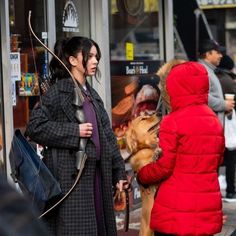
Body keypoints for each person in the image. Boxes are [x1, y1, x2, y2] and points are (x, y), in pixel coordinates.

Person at [25, 36, 127, 236]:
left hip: (98, 177)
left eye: (96, 56)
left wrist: (119, 173)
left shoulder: (92, 94)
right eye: (89, 56)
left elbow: (108, 137)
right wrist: (74, 131)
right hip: (72, 182)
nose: (95, 61)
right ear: (72, 60)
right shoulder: (57, 92)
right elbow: (34, 127)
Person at [137, 62, 225, 235]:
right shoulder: (213, 120)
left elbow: (164, 166)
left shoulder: (174, 120)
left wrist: (143, 175)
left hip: (176, 208)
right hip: (206, 205)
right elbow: (217, 161)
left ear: (176, 87)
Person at [198, 39, 235, 125]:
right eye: (218, 52)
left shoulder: (208, 70)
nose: (221, 56)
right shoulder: (201, 70)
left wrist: (223, 109)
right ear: (208, 54)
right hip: (208, 126)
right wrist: (223, 105)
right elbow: (201, 97)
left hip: (212, 124)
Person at [216, 54, 236, 201]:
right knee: (230, 159)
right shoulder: (230, 81)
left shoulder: (214, 78)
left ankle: (215, 189)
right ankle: (231, 191)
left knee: (215, 159)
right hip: (228, 123)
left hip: (215, 125)